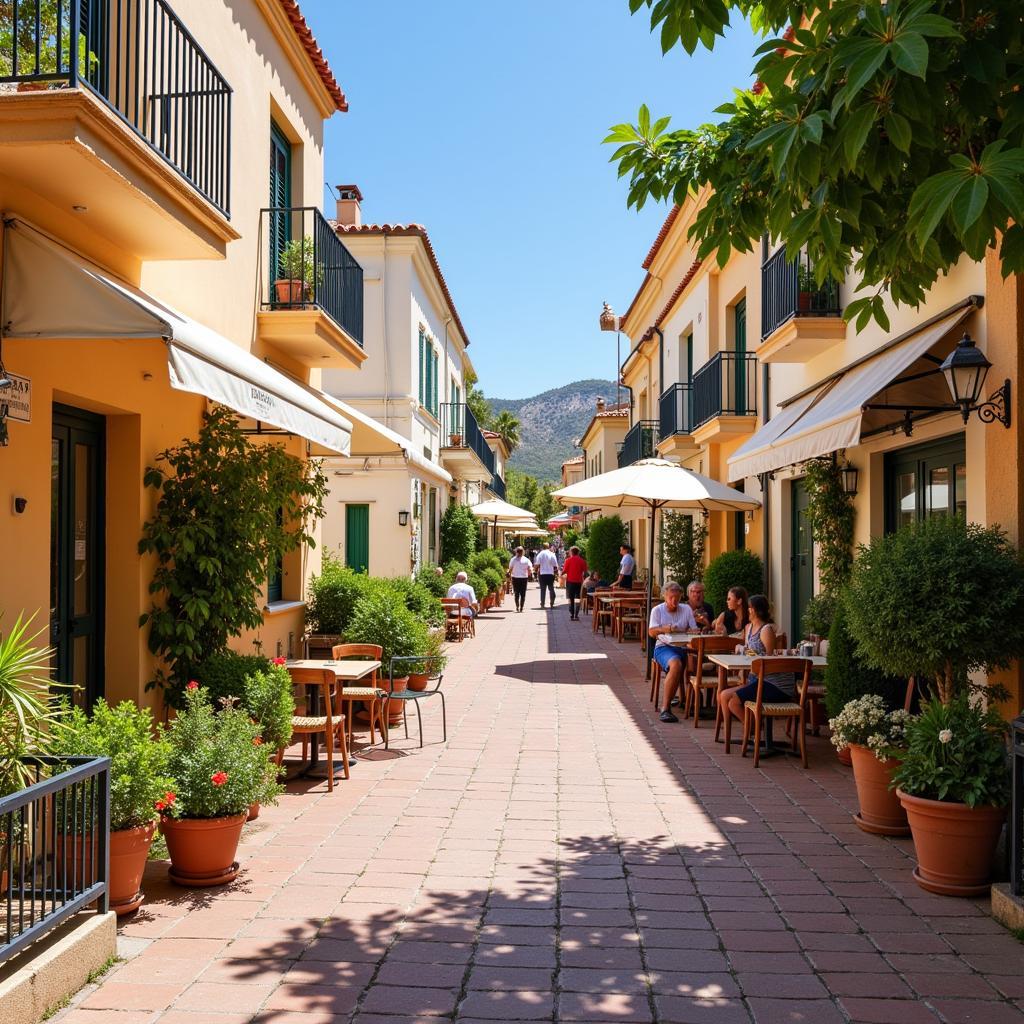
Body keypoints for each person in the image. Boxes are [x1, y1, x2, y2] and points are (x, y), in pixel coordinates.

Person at [717, 593, 794, 737]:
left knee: (733, 702)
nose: (747, 610)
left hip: (775, 684)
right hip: (758, 680)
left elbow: (768, 660)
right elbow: (751, 652)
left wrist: (746, 651)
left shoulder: (766, 630)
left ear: (756, 610)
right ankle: (750, 730)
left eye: (750, 608)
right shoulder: (749, 628)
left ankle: (754, 730)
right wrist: (743, 650)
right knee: (724, 695)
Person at [648, 581, 699, 724]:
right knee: (676, 664)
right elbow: (651, 632)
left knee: (697, 664)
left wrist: (691, 630)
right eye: (671, 597)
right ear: (664, 596)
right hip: (663, 647)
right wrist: (664, 629)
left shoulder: (686, 609)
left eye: (677, 598)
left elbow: (693, 630)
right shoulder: (657, 610)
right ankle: (665, 709)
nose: (674, 601)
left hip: (684, 647)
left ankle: (692, 703)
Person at [562, 546, 588, 621]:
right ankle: (576, 615)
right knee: (577, 598)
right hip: (579, 582)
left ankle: (571, 613)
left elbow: (565, 570)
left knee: (571, 597)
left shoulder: (568, 560)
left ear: (571, 552)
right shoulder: (582, 561)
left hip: (570, 581)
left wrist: (561, 574)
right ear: (578, 552)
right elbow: (585, 571)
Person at [534, 542, 560, 608]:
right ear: (548, 547)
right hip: (550, 574)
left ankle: (542, 604)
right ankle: (552, 603)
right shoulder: (552, 554)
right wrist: (556, 573)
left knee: (543, 590)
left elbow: (537, 564)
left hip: (542, 574)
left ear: (542, 547)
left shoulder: (540, 554)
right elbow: (555, 565)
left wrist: (535, 570)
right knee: (551, 588)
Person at [508, 546, 532, 613]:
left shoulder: (513, 559)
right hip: (524, 578)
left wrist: (509, 575)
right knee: (523, 594)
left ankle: (517, 606)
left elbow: (510, 568)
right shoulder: (526, 560)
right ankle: (521, 607)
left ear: (516, 552)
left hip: (515, 578)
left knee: (516, 593)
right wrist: (530, 574)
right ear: (523, 552)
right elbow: (530, 569)